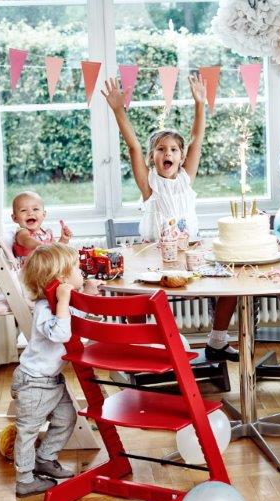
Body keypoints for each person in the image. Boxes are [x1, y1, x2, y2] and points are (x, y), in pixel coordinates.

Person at [101, 75, 238, 361]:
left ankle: (217, 340)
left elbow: (197, 139)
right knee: (132, 292)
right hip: (154, 257)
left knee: (232, 284)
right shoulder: (149, 184)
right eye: (161, 149)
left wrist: (200, 103)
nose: (168, 153)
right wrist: (118, 110)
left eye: (174, 150)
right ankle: (137, 345)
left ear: (181, 156)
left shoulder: (186, 179)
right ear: (152, 157)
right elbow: (133, 147)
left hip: (191, 255)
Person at [12, 243, 100, 497]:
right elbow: (61, 333)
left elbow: (74, 320)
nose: (82, 272)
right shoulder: (44, 308)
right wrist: (63, 301)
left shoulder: (60, 304)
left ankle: (45, 458)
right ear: (62, 279)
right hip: (34, 382)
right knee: (28, 431)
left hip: (51, 380)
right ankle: (25, 480)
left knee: (67, 418)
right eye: (77, 269)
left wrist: (86, 293)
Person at [10, 191, 72, 265]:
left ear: (44, 214)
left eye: (35, 209)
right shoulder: (22, 233)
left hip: (48, 267)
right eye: (23, 210)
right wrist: (43, 247)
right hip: (32, 270)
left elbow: (55, 251)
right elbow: (28, 241)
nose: (30, 213)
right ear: (15, 218)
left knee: (69, 259)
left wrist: (63, 239)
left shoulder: (47, 232)